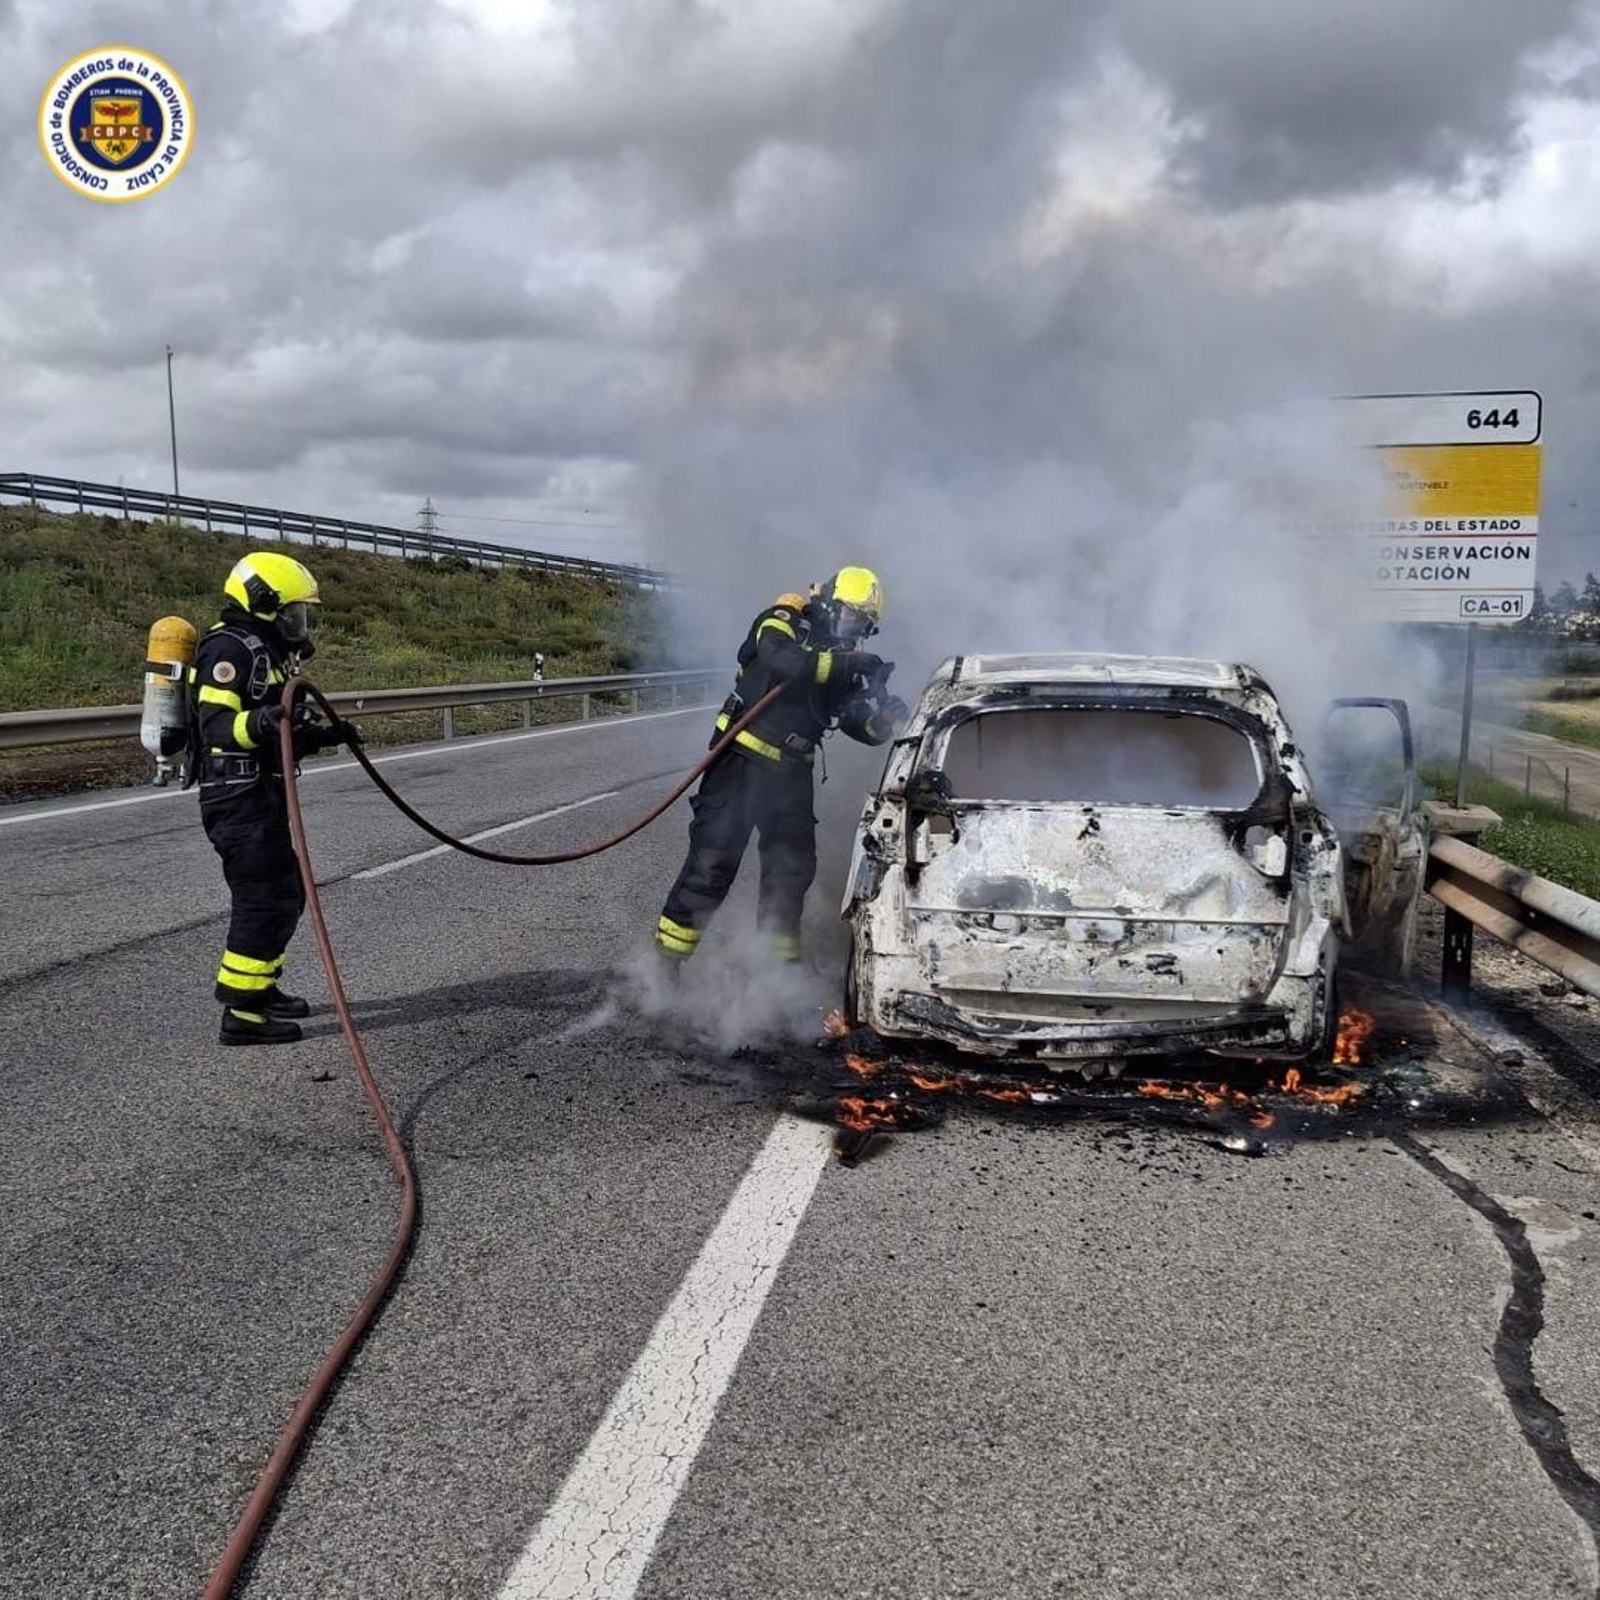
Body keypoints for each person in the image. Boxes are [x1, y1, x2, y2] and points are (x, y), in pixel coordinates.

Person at [655, 566, 906, 967]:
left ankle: (778, 975)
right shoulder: (784, 620)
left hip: (792, 773)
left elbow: (859, 723)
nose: (853, 629)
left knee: (790, 873)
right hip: (741, 762)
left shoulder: (842, 661)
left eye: (863, 624)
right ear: (827, 603)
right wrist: (851, 665)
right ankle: (665, 965)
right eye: (850, 616)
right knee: (713, 864)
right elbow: (785, 662)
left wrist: (886, 719)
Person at [191, 552, 360, 1045]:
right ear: (263, 603)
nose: (297, 623)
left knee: (283, 891)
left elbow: (279, 732)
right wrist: (266, 721)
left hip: (259, 790)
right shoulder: (230, 651)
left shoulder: (266, 652)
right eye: (291, 612)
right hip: (235, 795)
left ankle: (259, 990)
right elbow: (218, 726)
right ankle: (241, 1015)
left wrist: (324, 737)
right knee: (263, 898)